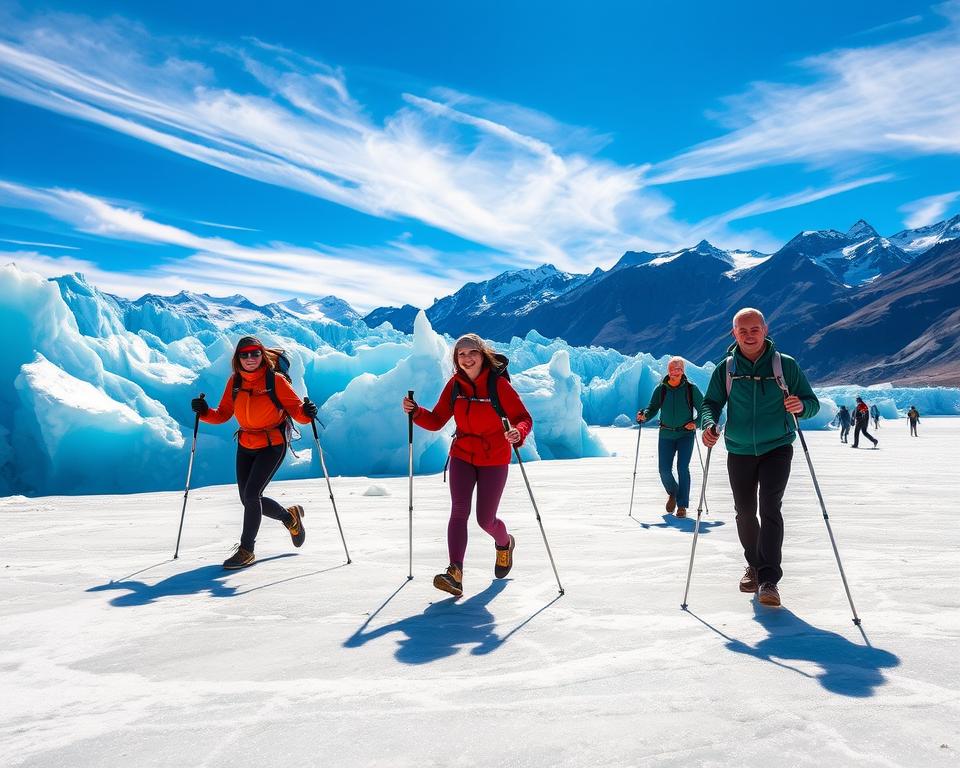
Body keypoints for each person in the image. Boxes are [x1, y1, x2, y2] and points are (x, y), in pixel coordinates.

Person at [701, 308, 820, 608]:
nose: (749, 335)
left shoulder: (785, 366)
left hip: (777, 447)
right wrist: (708, 424)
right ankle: (753, 566)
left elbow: (812, 402)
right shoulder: (726, 369)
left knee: (769, 507)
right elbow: (711, 403)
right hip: (739, 449)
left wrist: (800, 406)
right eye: (743, 330)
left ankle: (768, 579)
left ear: (765, 329)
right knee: (744, 511)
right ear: (734, 334)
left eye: (754, 329)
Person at [402, 334, 533, 598]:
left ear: (483, 354)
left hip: (494, 459)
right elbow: (438, 419)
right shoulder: (455, 386)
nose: (466, 358)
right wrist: (416, 412)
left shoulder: (499, 386)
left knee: (486, 519)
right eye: (461, 354)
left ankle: (504, 543)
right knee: (459, 510)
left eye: (472, 352)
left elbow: (523, 418)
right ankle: (455, 573)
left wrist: (518, 432)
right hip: (462, 455)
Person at [191, 336, 317, 569]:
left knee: (251, 496)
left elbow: (296, 411)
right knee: (248, 498)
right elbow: (223, 414)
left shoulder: (276, 380)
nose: (250, 358)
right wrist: (205, 411)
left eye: (255, 353)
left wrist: (307, 413)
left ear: (263, 355)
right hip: (246, 443)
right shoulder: (235, 382)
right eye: (244, 354)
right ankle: (290, 518)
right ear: (237, 358)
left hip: (273, 444)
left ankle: (246, 550)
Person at [637, 357, 704, 518]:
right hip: (666, 434)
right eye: (673, 368)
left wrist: (697, 423)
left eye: (679, 368)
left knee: (682, 468)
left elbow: (703, 409)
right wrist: (644, 416)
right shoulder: (661, 389)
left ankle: (682, 505)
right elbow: (652, 408)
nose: (676, 370)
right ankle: (673, 492)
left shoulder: (690, 389)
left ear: (683, 370)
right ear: (668, 370)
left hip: (685, 435)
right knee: (664, 470)